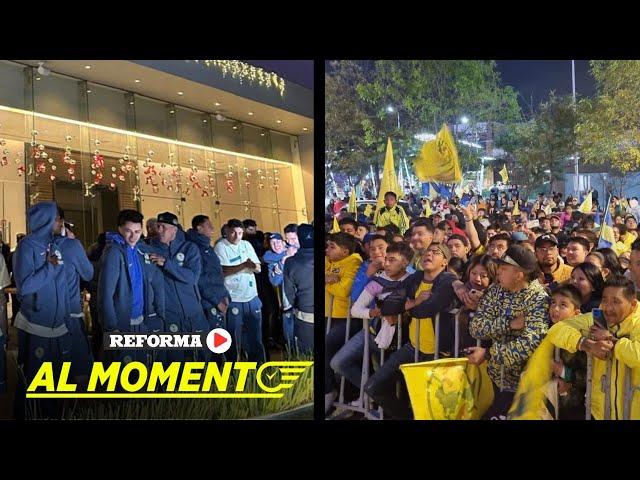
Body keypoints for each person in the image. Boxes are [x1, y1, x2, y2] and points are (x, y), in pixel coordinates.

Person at [364, 242, 458, 419]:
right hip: (413, 347)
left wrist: (406, 308)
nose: (428, 254)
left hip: (437, 354)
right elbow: (389, 305)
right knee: (373, 387)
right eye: (427, 251)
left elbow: (427, 310)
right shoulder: (415, 278)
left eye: (435, 252)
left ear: (445, 262)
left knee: (431, 404)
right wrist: (413, 303)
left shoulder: (447, 280)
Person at [468, 245, 549, 420]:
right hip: (494, 379)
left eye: (503, 269)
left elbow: (529, 344)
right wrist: (508, 324)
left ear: (519, 275)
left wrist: (489, 353)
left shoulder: (538, 299)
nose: (498, 272)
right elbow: (476, 328)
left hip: (524, 385)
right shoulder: (496, 291)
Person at [544, 276, 640, 419]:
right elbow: (556, 330)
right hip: (599, 413)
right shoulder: (596, 318)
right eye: (605, 300)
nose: (608, 307)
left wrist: (611, 343)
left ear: (632, 304)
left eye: (616, 301)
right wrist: (585, 344)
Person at [330, 242, 413, 406]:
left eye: (392, 260)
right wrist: (374, 313)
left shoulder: (413, 281)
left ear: (405, 263)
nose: (386, 264)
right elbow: (355, 310)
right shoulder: (377, 281)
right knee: (338, 363)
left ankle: (380, 401)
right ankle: (370, 392)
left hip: (400, 342)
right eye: (387, 259)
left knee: (392, 380)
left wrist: (402, 315)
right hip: (372, 332)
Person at [13, 202, 70, 418]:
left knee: (56, 381)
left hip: (58, 327)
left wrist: (66, 318)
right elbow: (24, 287)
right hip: (35, 325)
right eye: (57, 218)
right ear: (46, 220)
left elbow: (62, 284)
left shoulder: (54, 246)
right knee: (32, 379)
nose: (60, 222)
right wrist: (49, 268)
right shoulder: (26, 247)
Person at [98, 210, 165, 365]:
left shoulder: (140, 251)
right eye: (128, 231)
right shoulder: (114, 253)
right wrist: (111, 327)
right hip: (121, 325)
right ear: (120, 229)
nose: (133, 236)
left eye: (137, 231)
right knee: (122, 374)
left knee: (140, 370)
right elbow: (105, 293)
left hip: (140, 322)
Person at [150, 212, 210, 361]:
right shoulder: (150, 249)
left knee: (203, 357)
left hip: (194, 313)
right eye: (158, 226)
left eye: (164, 227)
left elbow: (193, 277)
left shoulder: (189, 248)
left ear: (174, 230)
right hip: (170, 315)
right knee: (175, 362)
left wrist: (167, 264)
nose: (160, 230)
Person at [214, 218, 265, 363]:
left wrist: (253, 266)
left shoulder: (247, 245)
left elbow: (258, 267)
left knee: (256, 338)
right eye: (234, 233)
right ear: (227, 231)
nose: (237, 236)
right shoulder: (220, 247)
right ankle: (234, 371)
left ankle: (259, 367)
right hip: (234, 300)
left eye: (240, 233)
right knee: (233, 339)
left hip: (252, 298)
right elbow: (223, 271)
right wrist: (243, 265)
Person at [53, 207, 94, 383]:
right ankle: (80, 408)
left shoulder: (31, 245)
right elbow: (88, 273)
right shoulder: (71, 245)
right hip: (70, 312)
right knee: (79, 363)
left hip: (44, 316)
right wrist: (73, 242)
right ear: (61, 221)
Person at [324, 231, 363, 412]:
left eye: (332, 247)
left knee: (332, 353)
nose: (327, 250)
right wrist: (327, 279)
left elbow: (343, 290)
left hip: (346, 319)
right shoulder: (327, 261)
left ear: (345, 251)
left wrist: (328, 282)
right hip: (327, 315)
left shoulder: (354, 262)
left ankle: (329, 392)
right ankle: (340, 395)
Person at [185, 215, 230, 334]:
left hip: (219, 299)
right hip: (209, 304)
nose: (212, 228)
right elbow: (200, 280)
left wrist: (224, 294)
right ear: (199, 228)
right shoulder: (195, 248)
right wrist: (217, 302)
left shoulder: (207, 247)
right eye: (208, 226)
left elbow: (216, 273)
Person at [283, 224, 314, 355]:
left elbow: (289, 292)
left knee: (307, 355)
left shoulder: (291, 262)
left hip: (305, 314)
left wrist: (297, 305)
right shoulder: (329, 257)